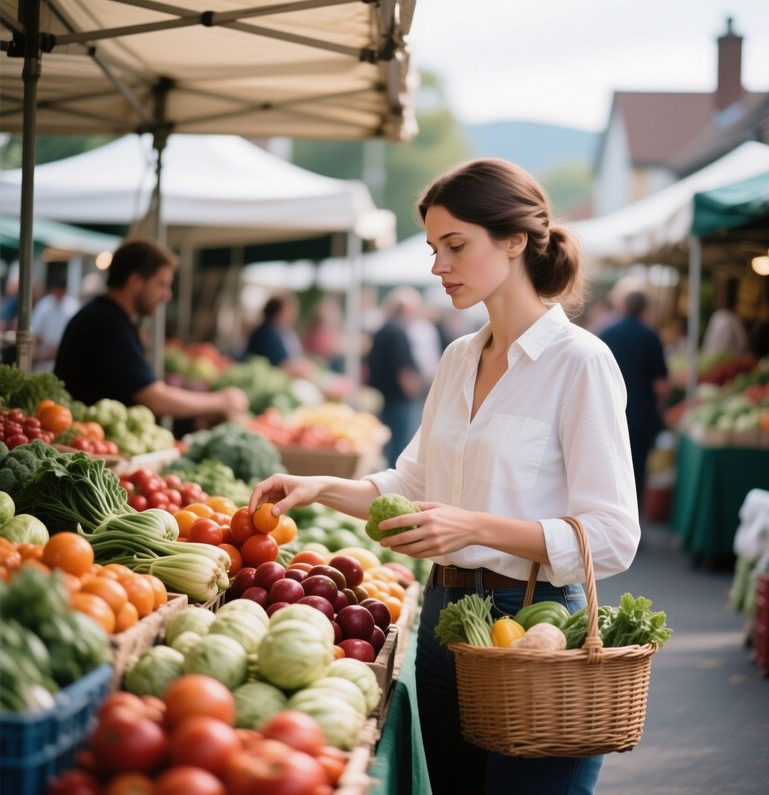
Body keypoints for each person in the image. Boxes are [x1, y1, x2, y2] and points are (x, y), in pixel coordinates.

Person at [250, 158, 640, 795]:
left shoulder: (581, 363)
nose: (438, 267)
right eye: (435, 249)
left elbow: (614, 536)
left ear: (515, 240)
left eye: (455, 246)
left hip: (535, 624)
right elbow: (413, 485)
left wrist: (472, 526)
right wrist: (318, 487)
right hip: (442, 620)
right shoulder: (459, 358)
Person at [54, 238, 248, 420]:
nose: (167, 295)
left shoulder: (106, 316)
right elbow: (153, 397)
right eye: (161, 284)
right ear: (135, 281)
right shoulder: (107, 323)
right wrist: (220, 401)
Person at [599, 289, 670, 509]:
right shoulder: (651, 336)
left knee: (607, 471)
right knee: (636, 471)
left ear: (624, 306)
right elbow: (662, 386)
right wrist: (660, 406)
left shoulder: (606, 333)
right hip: (641, 416)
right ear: (644, 309)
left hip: (607, 413)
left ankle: (605, 517)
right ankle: (630, 521)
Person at [365, 286, 424, 467]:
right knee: (399, 450)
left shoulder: (382, 329)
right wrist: (416, 393)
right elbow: (404, 370)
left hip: (384, 397)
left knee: (389, 449)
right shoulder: (397, 332)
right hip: (398, 400)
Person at [244, 290, 318, 380]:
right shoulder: (267, 332)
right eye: (290, 310)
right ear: (278, 312)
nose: (294, 315)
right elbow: (281, 365)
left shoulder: (283, 332)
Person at [30, 267, 80, 372]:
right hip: (44, 359)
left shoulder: (73, 306)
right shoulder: (44, 305)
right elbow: (35, 333)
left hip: (64, 356)